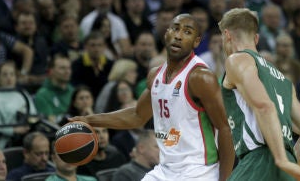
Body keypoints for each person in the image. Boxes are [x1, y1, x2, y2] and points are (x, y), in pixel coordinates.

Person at [70, 13, 235, 180]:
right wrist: (89, 120)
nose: (178, 36)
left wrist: (224, 179)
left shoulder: (200, 77)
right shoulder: (155, 75)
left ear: (197, 42)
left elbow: (225, 129)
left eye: (187, 32)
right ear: (166, 34)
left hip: (199, 170)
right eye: (175, 29)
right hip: (165, 169)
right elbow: (137, 116)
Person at [218, 8, 300, 181]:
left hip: (258, 161)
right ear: (256, 38)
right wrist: (289, 165)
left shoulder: (237, 59)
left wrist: (281, 159)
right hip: (285, 168)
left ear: (227, 35)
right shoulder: (284, 81)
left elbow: (264, 106)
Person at [34, 54, 74, 123]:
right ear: (51, 71)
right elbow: (50, 122)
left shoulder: (73, 90)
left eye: (69, 68)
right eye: (62, 68)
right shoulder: (42, 95)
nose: (67, 71)